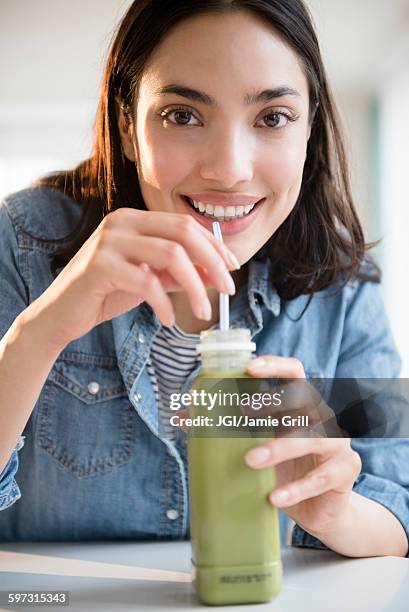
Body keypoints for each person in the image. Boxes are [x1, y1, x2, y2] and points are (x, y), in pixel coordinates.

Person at [0, 0, 408, 557]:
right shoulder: (21, 243)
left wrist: (337, 511)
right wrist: (37, 335)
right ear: (126, 128)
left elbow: (399, 502)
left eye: (272, 118)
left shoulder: (346, 285)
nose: (229, 168)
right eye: (182, 115)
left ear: (308, 131)